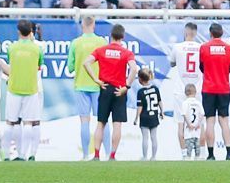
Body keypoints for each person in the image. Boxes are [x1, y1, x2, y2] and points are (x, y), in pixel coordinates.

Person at [84, 23, 138, 160]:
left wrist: (95, 79)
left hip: (105, 88)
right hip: (120, 90)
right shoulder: (126, 53)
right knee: (117, 124)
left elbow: (86, 63)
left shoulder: (101, 50)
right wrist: (127, 86)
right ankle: (112, 155)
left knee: (101, 123)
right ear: (123, 36)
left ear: (111, 35)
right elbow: (134, 68)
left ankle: (96, 155)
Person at [69, 16, 109, 160]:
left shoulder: (76, 43)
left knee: (84, 121)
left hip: (81, 84)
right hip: (99, 85)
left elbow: (70, 67)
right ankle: (109, 153)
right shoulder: (102, 42)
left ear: (82, 26)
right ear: (93, 25)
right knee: (102, 121)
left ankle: (85, 155)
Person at [5, 19, 45, 161]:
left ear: (18, 31)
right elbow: (40, 65)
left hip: (16, 86)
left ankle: (13, 154)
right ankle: (31, 153)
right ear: (32, 31)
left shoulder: (12, 47)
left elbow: (11, 62)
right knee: (33, 122)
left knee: (13, 121)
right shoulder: (38, 48)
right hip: (34, 86)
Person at [198, 22, 230, 160]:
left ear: (210, 33)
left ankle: (211, 154)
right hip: (224, 88)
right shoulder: (229, 49)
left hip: (208, 87)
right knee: (224, 120)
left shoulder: (204, 47)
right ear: (222, 33)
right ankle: (229, 153)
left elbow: (201, 67)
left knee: (210, 120)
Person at [136, 69, 163, 161]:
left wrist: (136, 118)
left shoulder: (140, 92)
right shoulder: (155, 89)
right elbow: (160, 101)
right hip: (154, 116)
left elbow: (140, 107)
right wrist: (162, 111)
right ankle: (154, 157)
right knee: (154, 137)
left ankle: (144, 157)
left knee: (145, 137)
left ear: (140, 79)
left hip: (144, 117)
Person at [178, 83, 207, 160]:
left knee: (189, 144)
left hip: (189, 129)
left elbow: (184, 114)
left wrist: (189, 124)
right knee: (197, 144)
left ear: (185, 93)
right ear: (195, 92)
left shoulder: (185, 103)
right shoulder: (198, 103)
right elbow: (202, 114)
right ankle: (197, 157)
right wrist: (198, 124)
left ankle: (187, 157)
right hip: (197, 128)